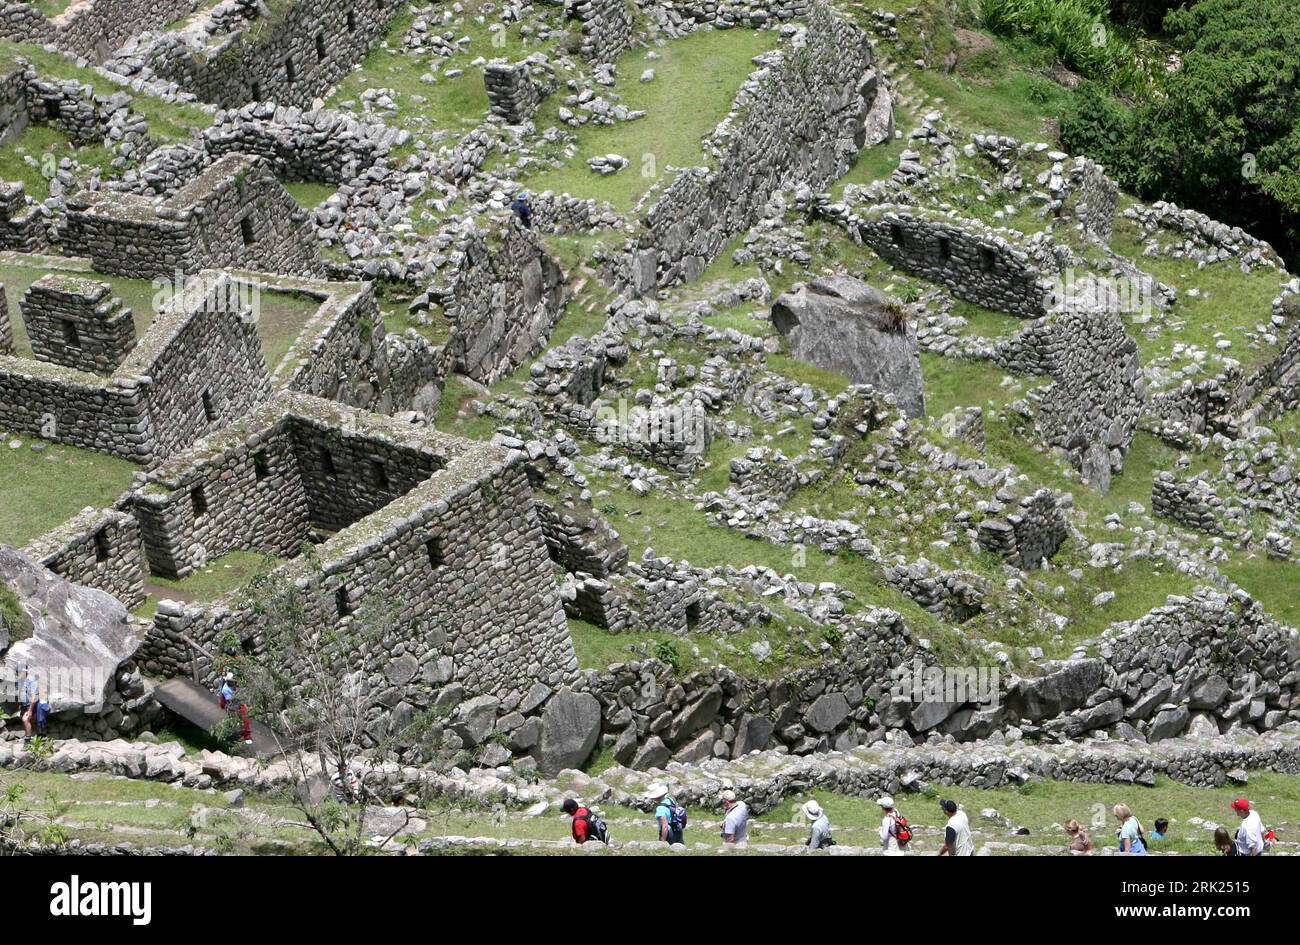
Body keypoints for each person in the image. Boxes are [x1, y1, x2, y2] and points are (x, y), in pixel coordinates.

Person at [17, 664, 39, 742]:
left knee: (25, 719)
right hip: (24, 705)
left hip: (31, 704)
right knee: (30, 721)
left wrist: (30, 710)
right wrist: (20, 705)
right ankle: (33, 736)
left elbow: (34, 696)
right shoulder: (21, 681)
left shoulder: (31, 680)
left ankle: (28, 740)